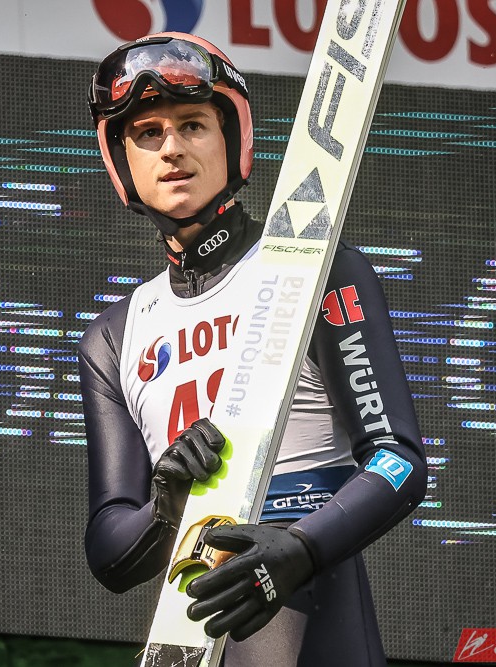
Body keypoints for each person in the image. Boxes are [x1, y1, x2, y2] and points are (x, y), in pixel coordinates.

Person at [78, 32, 426, 666]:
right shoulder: (114, 336)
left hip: (316, 618)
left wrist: (299, 550)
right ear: (121, 161)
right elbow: (108, 550)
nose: (172, 148)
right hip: (195, 625)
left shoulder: (318, 271)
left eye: (192, 125)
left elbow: (397, 461)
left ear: (231, 137)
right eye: (148, 133)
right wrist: (165, 506)